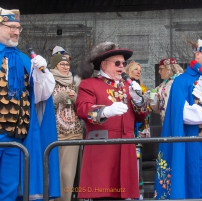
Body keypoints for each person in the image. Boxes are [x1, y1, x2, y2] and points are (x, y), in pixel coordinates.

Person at [0, 6, 60, 200]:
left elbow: (41, 95)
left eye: (18, 27)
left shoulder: (24, 59)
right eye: (11, 26)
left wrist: (43, 73)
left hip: (16, 139)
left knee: (8, 192)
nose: (16, 32)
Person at [75, 42, 148, 200]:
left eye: (124, 63)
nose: (122, 67)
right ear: (103, 64)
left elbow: (141, 117)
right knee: (103, 194)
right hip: (102, 148)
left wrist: (139, 100)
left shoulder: (127, 86)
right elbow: (82, 109)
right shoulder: (89, 84)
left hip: (126, 147)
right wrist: (105, 111)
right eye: (117, 63)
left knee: (125, 195)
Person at [154, 38, 202, 199]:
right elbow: (184, 114)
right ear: (197, 54)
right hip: (193, 140)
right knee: (192, 176)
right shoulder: (182, 81)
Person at [49, 54, 83, 201]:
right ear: (55, 65)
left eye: (67, 64)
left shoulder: (74, 83)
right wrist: (60, 96)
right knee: (52, 173)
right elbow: (43, 107)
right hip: (53, 134)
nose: (65, 67)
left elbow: (82, 108)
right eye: (62, 64)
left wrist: (75, 98)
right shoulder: (48, 80)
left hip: (73, 133)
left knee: (68, 174)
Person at [125, 61, 151, 200]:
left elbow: (145, 109)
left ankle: (137, 193)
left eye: (140, 69)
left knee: (137, 161)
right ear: (128, 71)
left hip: (138, 130)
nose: (138, 71)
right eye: (136, 69)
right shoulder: (123, 87)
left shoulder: (143, 88)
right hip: (127, 129)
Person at [149, 58, 183, 123]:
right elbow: (157, 109)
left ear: (169, 68)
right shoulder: (162, 85)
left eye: (161, 69)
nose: (159, 71)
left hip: (178, 121)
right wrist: (152, 98)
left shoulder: (181, 81)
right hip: (165, 122)